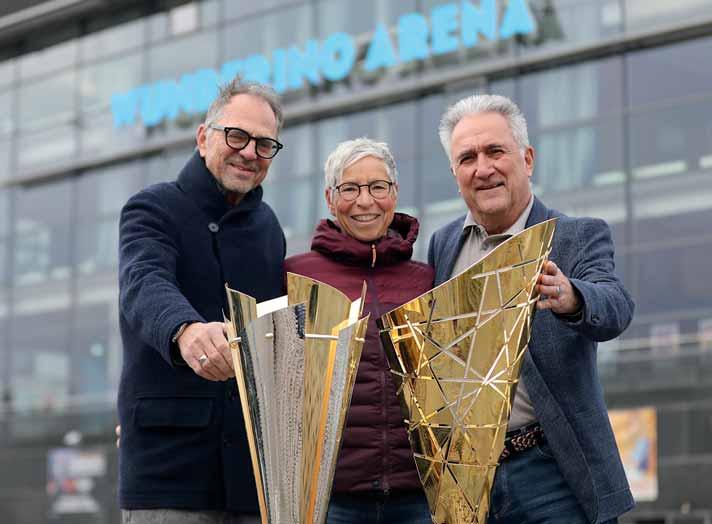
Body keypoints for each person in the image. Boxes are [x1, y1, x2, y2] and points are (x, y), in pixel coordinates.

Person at [428, 94, 635, 524]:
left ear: (527, 159)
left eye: (495, 151)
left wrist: (572, 297)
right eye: (467, 158)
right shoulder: (442, 244)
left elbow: (616, 305)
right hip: (471, 483)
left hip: (555, 474)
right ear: (454, 173)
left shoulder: (577, 235)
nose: (483, 168)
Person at [117, 78, 286, 524]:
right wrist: (185, 330)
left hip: (254, 482)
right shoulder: (151, 207)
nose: (249, 152)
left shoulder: (270, 229)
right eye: (237, 136)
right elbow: (143, 282)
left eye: (264, 144)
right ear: (203, 137)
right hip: (170, 475)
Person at [285, 138, 434, 524]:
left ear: (394, 193)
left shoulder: (426, 279)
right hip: (331, 501)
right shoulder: (296, 276)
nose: (365, 201)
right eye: (350, 188)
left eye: (377, 187)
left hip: (419, 499)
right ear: (330, 198)